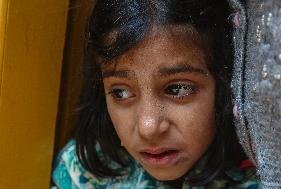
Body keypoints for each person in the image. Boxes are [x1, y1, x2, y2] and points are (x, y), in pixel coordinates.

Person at [52, 0, 261, 188]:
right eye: (120, 92)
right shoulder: (81, 175)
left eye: (177, 89)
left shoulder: (264, 180)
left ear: (226, 83)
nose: (148, 127)